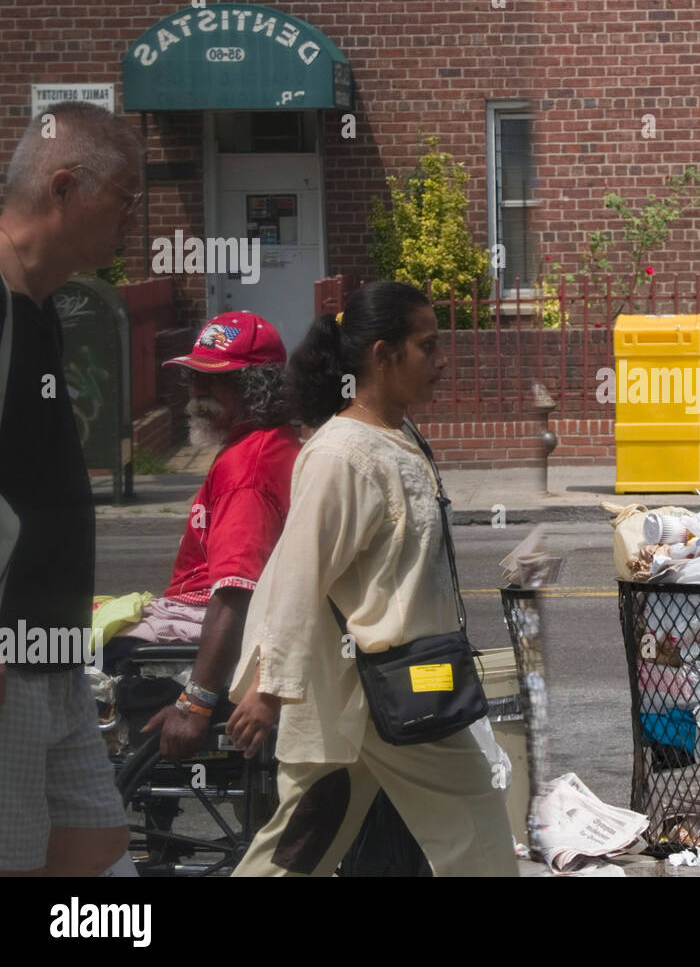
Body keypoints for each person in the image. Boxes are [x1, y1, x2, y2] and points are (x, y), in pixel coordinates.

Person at [223, 281, 517, 876]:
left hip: (389, 687)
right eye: (427, 346)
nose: (440, 362)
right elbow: (297, 575)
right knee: (475, 826)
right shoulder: (342, 456)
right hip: (385, 683)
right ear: (382, 356)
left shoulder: (397, 435)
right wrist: (269, 683)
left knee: (301, 844)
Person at [0, 101, 142, 875]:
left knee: (96, 859)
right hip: (8, 657)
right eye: (124, 197)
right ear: (62, 187)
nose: (132, 217)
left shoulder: (40, 304)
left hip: (50, 655)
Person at [102, 311, 300, 762]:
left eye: (213, 382)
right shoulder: (271, 442)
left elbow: (235, 593)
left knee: (86, 661)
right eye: (193, 379)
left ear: (256, 388)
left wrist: (194, 704)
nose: (194, 393)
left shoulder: (246, 469)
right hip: (193, 615)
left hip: (199, 631)